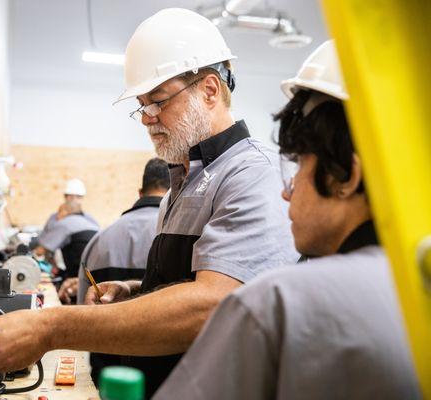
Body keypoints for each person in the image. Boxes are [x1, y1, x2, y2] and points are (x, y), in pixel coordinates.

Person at [0, 9, 297, 396]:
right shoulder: (183, 182)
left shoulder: (251, 174)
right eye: (142, 106)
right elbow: (192, 283)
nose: (147, 118)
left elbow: (215, 304)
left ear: (210, 90)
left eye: (158, 101)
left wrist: (51, 328)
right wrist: (135, 290)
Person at [153, 40, 421, 400]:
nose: (286, 192)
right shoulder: (417, 286)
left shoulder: (280, 304)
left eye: (299, 166)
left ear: (345, 176)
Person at [66, 157, 170, 384]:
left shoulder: (99, 240)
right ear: (175, 193)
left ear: (140, 192)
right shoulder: (184, 242)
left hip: (106, 377)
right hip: (165, 377)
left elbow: (84, 316)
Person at [34, 200, 99, 282]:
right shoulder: (90, 222)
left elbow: (40, 250)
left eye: (59, 212)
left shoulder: (64, 223)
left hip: (79, 274)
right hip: (97, 270)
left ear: (65, 211)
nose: (56, 217)